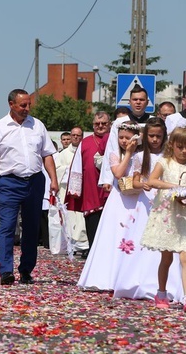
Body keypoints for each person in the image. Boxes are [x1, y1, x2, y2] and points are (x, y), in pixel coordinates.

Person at [0, 89, 58, 286]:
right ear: (11, 104)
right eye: (23, 105)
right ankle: (6, 270)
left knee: (32, 228)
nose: (27, 109)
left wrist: (54, 180)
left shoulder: (37, 125)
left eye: (29, 105)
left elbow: (47, 154)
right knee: (7, 226)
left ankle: (26, 270)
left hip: (34, 181)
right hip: (10, 182)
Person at [114, 117, 182, 301]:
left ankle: (173, 285)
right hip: (146, 202)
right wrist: (141, 185)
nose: (154, 140)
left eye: (158, 136)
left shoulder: (169, 158)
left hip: (168, 202)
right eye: (151, 136)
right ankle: (142, 280)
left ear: (164, 137)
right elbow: (135, 179)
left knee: (169, 240)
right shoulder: (139, 156)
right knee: (146, 241)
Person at [77, 122, 143, 291]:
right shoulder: (114, 154)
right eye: (120, 137)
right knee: (115, 234)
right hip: (119, 199)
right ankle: (109, 276)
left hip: (137, 198)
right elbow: (119, 173)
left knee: (135, 234)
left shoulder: (142, 155)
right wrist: (128, 153)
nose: (123, 141)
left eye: (127, 138)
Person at [140, 127, 186, 309]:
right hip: (168, 215)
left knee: (185, 258)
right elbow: (152, 181)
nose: (183, 151)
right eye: (180, 147)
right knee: (167, 259)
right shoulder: (165, 162)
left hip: (184, 215)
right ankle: (161, 292)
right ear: (172, 145)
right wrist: (175, 187)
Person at [65, 112, 112, 254]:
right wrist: (75, 190)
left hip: (111, 191)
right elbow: (77, 166)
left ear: (109, 124)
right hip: (91, 191)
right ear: (93, 125)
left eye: (104, 123)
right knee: (93, 226)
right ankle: (93, 254)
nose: (100, 126)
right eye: (97, 124)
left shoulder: (116, 139)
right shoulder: (85, 142)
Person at [54, 126, 88, 252]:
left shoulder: (85, 151)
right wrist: (68, 170)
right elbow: (57, 170)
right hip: (66, 190)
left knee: (81, 218)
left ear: (82, 137)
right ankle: (71, 244)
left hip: (83, 190)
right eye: (73, 135)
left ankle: (84, 245)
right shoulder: (63, 154)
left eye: (78, 135)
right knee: (69, 217)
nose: (75, 137)